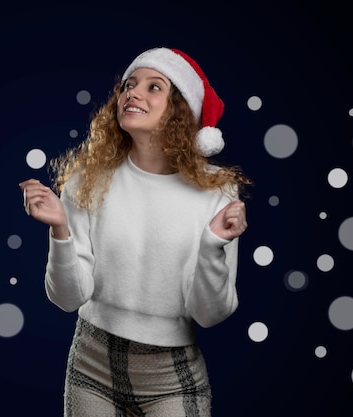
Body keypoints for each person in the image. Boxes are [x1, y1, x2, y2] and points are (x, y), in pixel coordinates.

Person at [19, 47, 252, 417]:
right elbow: (68, 298)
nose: (133, 92)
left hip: (171, 374)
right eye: (129, 84)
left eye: (154, 87)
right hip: (90, 363)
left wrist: (213, 245)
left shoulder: (216, 194)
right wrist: (60, 230)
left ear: (180, 110)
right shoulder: (86, 180)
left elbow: (211, 314)